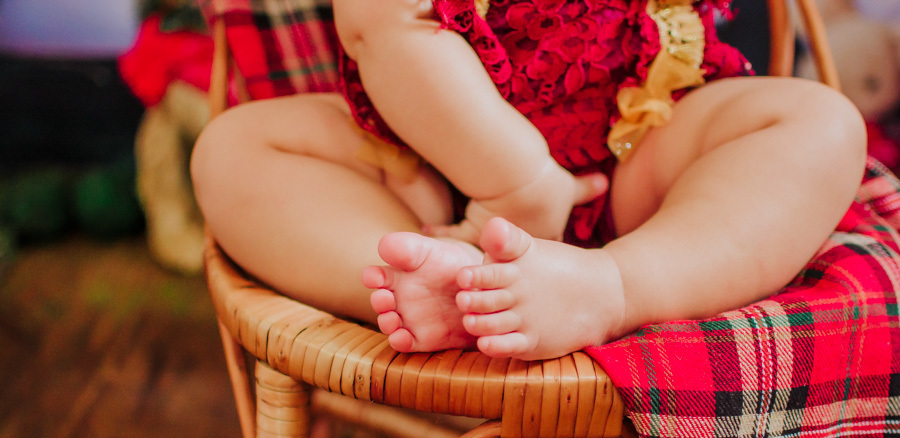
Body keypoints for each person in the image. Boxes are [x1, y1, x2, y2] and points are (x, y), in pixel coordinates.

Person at [191, 0, 867, 361]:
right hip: (424, 183)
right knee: (231, 150)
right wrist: (519, 183)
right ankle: (435, 281)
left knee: (822, 123)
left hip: (634, 159)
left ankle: (617, 287)